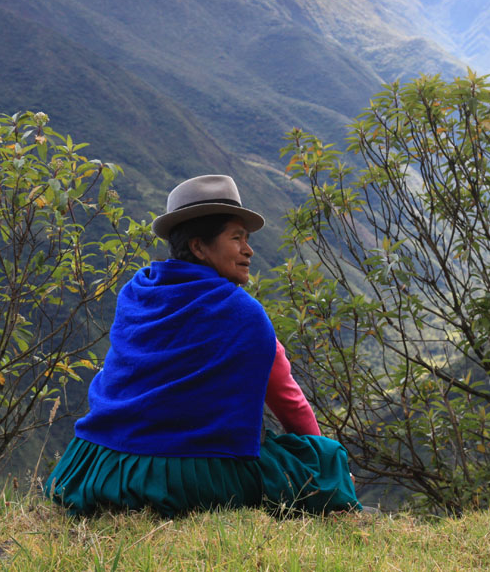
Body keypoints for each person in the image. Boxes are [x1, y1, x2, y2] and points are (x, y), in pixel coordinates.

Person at [46, 174, 360, 516]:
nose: (248, 250)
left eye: (247, 239)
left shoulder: (137, 293)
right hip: (186, 477)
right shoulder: (242, 313)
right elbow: (289, 400)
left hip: (100, 467)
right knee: (325, 461)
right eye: (236, 238)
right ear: (199, 247)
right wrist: (319, 455)